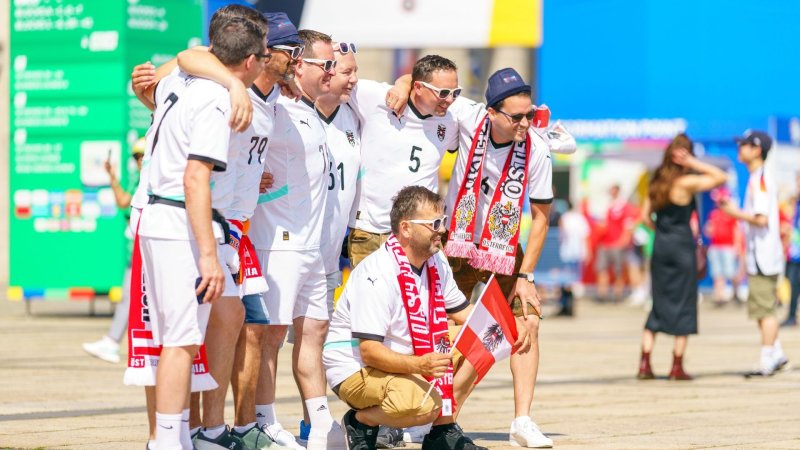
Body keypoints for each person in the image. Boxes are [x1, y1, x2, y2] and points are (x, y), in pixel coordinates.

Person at [135, 16, 266, 450]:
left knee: (172, 340)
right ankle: (169, 441)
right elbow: (195, 178)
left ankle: (171, 438)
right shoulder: (215, 98)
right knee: (179, 341)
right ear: (249, 61)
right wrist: (209, 256)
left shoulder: (183, 79)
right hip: (177, 222)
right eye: (263, 56)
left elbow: (185, 60)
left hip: (158, 218)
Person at [324, 186, 525, 450]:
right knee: (422, 406)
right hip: (355, 367)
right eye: (434, 223)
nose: (442, 229)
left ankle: (442, 431)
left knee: (484, 336)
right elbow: (370, 351)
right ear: (406, 229)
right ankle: (361, 422)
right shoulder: (377, 272)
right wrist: (421, 365)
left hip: (403, 355)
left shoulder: (436, 261)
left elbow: (464, 314)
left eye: (443, 221)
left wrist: (508, 324)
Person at [442, 68, 556, 448]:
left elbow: (541, 217)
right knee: (436, 330)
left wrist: (527, 276)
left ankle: (522, 420)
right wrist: (405, 84)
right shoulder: (466, 114)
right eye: (517, 117)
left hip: (504, 250)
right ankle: (436, 414)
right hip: (455, 242)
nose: (525, 123)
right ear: (491, 112)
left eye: (529, 115)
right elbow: (421, 86)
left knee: (527, 322)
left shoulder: (536, 148)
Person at [249, 29, 347, 450]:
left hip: (313, 247)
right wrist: (253, 182)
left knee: (314, 333)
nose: (332, 71)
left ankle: (320, 421)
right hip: (278, 240)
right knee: (270, 336)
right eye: (325, 64)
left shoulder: (310, 108)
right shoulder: (273, 105)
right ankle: (262, 420)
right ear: (298, 64)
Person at [346, 55, 460, 267]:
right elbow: (337, 79)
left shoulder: (452, 119)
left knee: (426, 299)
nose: (450, 99)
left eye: (456, 92)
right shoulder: (378, 98)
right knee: (374, 300)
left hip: (422, 233)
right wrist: (402, 83)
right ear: (417, 87)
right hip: (371, 231)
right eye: (443, 93)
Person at [637, 134, 727, 381]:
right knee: (685, 303)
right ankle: (676, 366)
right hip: (682, 249)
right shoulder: (686, 182)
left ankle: (644, 363)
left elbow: (645, 218)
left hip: (661, 248)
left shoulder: (656, 181)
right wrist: (694, 163)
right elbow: (721, 177)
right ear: (685, 155)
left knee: (658, 304)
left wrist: (662, 232)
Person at [717, 130, 790, 377]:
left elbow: (760, 219)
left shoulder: (760, 179)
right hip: (762, 254)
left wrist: (732, 212)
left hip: (763, 256)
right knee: (761, 308)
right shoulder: (758, 177)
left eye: (745, 145)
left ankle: (767, 358)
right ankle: (776, 353)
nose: (740, 149)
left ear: (757, 150)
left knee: (764, 310)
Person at [82, 137, 146, 363]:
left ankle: (114, 342)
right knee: (129, 298)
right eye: (137, 156)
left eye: (143, 155)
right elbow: (122, 201)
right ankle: (113, 341)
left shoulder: (156, 180)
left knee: (132, 299)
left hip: (150, 251)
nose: (140, 160)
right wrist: (111, 177)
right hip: (138, 253)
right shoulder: (139, 179)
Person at [594, 184, 636, 303]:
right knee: (602, 269)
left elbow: (629, 226)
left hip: (617, 244)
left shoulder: (623, 206)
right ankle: (602, 294)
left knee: (618, 271)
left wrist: (622, 242)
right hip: (604, 244)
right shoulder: (606, 205)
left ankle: (618, 295)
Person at [705, 187, 743, 305]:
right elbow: (708, 230)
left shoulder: (731, 213)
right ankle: (719, 297)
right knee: (718, 273)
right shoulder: (714, 214)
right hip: (715, 247)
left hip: (728, 247)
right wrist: (709, 229)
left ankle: (736, 294)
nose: (718, 203)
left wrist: (737, 245)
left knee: (731, 272)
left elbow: (737, 230)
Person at [556, 200, 590, 317]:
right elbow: (585, 236)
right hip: (578, 252)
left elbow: (561, 234)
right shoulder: (580, 218)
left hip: (566, 253)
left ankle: (566, 305)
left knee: (566, 280)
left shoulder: (564, 218)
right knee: (574, 279)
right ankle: (569, 305)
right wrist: (587, 252)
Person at [782, 174, 800, 327]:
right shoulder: (796, 203)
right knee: (793, 284)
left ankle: (792, 315)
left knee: (795, 285)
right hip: (795, 252)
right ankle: (791, 315)